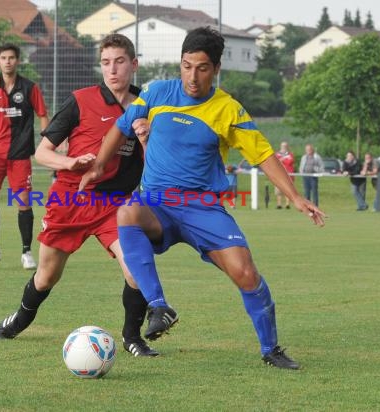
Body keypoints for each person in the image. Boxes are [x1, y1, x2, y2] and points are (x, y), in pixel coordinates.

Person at [80, 27, 326, 369]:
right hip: (156, 203)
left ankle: (271, 350)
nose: (192, 76)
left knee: (246, 274)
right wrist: (97, 168)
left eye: (202, 68)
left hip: (203, 207)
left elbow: (263, 155)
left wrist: (295, 196)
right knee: (128, 212)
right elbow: (121, 126)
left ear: (216, 68)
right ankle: (159, 307)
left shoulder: (229, 110)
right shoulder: (155, 92)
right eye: (186, 65)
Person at [0, 34, 159, 357]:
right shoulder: (82, 100)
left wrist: (146, 139)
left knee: (136, 268)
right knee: (47, 276)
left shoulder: (147, 107)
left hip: (116, 204)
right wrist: (71, 162)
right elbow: (42, 152)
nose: (113, 70)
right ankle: (21, 318)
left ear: (134, 65)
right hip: (71, 198)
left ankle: (132, 337)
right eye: (106, 63)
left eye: (120, 62)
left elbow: (156, 160)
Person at [0, 43, 49, 269]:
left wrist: (47, 144)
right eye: (3, 58)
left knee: (23, 202)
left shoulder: (29, 88)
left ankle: (26, 252)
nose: (7, 61)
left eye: (11, 58)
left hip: (19, 155)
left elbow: (43, 115)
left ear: (17, 61)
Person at [275, 141, 295, 209]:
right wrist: (284, 159)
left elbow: (290, 162)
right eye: (283, 146)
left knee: (288, 189)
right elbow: (276, 162)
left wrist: (282, 160)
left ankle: (287, 204)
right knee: (278, 189)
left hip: (288, 174)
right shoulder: (277, 154)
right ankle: (279, 204)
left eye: (285, 146)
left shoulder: (290, 154)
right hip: (279, 174)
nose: (284, 147)